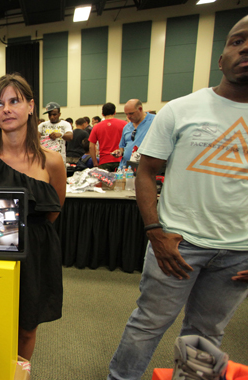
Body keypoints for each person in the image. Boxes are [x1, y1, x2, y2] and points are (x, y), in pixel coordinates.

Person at [107, 15, 248, 380]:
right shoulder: (181, 109)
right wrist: (155, 231)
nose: (245, 47)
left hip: (239, 253)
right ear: (221, 60)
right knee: (148, 324)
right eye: (237, 41)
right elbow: (146, 170)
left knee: (207, 334)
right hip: (178, 243)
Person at [0, 73, 66, 361]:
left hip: (35, 252)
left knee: (26, 329)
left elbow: (53, 209)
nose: (6, 109)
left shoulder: (53, 162)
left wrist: (26, 235)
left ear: (31, 106)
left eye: (14, 101)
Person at [112, 99, 155, 168]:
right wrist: (119, 152)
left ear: (140, 109)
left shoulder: (154, 121)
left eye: (131, 113)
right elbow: (122, 147)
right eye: (126, 114)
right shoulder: (126, 127)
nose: (128, 116)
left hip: (144, 168)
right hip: (126, 168)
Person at [89, 102, 126, 172]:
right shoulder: (124, 124)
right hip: (120, 160)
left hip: (104, 161)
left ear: (102, 114)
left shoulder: (96, 127)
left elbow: (91, 146)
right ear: (115, 112)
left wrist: (95, 162)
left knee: (105, 182)